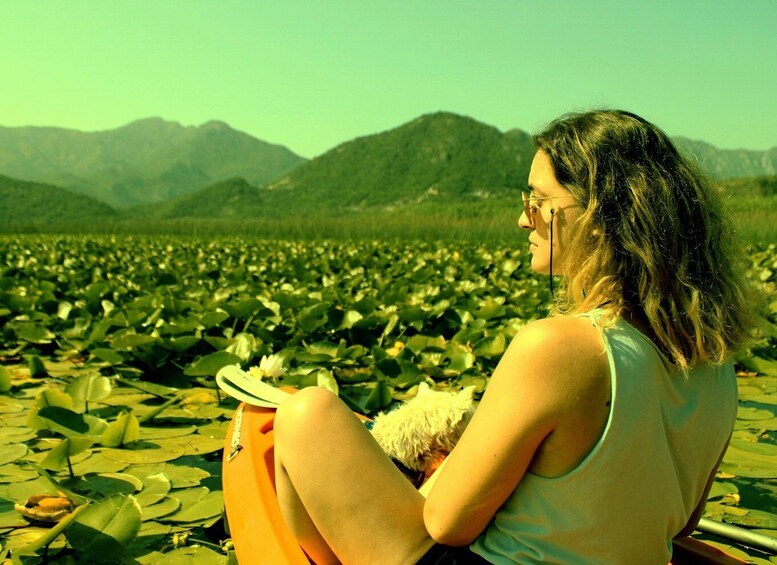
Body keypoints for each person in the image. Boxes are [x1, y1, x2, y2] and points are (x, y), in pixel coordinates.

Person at [272, 110, 759, 564]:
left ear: (601, 217)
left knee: (305, 413)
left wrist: (449, 466)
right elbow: (685, 518)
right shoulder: (717, 366)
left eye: (539, 201)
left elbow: (446, 523)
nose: (524, 218)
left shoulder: (559, 347)